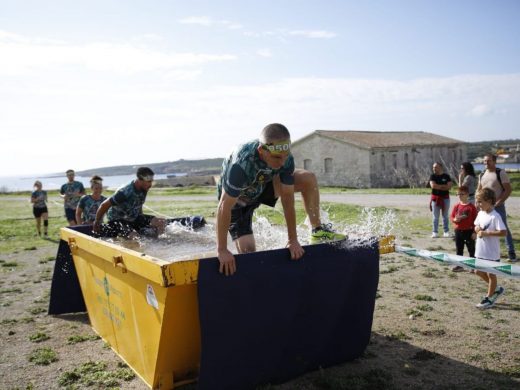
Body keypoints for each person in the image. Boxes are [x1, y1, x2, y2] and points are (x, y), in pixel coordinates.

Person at [216, 123, 345, 276]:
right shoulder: (241, 164)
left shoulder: (285, 157)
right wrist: (222, 250)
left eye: (285, 156)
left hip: (263, 185)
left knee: (308, 179)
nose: (282, 162)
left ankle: (317, 230)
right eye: (277, 158)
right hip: (239, 200)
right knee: (248, 254)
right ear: (262, 150)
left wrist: (293, 239)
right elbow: (224, 207)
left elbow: (288, 198)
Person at [93, 167, 167, 239]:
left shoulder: (144, 188)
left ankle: (158, 244)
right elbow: (104, 205)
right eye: (149, 182)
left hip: (133, 218)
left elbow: (139, 204)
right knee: (135, 237)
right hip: (117, 220)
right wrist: (97, 222)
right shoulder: (125, 192)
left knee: (161, 222)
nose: (151, 184)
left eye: (151, 181)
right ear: (139, 180)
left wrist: (143, 222)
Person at [477, 153, 516, 262]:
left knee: (503, 229)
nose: (486, 163)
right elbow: (479, 189)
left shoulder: (500, 173)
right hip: (484, 207)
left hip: (497, 207)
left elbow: (508, 190)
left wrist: (498, 202)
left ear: (494, 161)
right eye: (484, 161)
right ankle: (485, 254)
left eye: (489, 161)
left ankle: (511, 253)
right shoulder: (482, 174)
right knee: (483, 227)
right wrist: (477, 201)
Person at [473, 188, 507, 309]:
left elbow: (503, 232)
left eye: (480, 202)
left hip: (492, 252)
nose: (478, 204)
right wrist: (477, 229)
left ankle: (489, 298)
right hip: (480, 250)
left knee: (491, 274)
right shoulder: (480, 213)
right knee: (477, 271)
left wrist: (488, 233)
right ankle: (497, 289)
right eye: (477, 201)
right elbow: (476, 225)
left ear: (489, 201)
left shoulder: (495, 216)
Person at [450, 185, 477, 272]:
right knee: (459, 249)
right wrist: (455, 219)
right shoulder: (456, 206)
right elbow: (452, 216)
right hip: (458, 231)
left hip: (469, 231)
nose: (460, 196)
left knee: (471, 249)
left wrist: (474, 232)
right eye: (458, 194)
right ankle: (459, 265)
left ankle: (473, 266)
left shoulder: (471, 207)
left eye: (462, 194)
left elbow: (476, 220)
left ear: (467, 195)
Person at [429, 162, 453, 238]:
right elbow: (433, 186)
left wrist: (438, 186)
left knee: (445, 216)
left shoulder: (446, 176)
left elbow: (449, 187)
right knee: (435, 217)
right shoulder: (432, 176)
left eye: (436, 167)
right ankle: (434, 232)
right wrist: (443, 186)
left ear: (440, 167)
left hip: (445, 198)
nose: (434, 169)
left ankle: (446, 231)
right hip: (435, 199)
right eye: (433, 167)